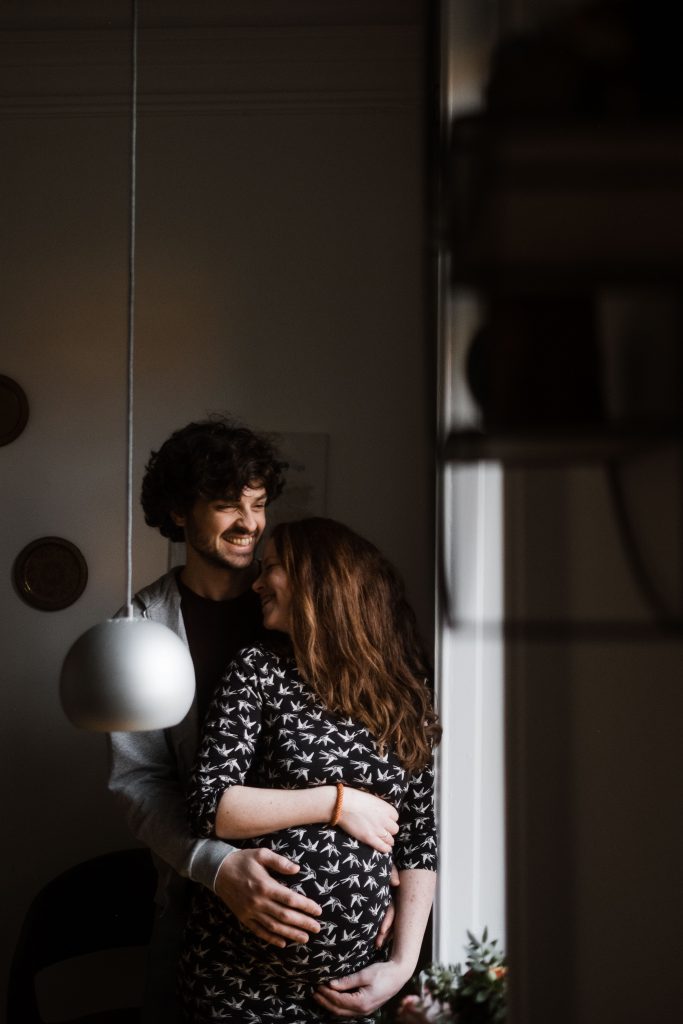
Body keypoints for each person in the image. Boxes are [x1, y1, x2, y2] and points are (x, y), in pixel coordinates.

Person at [108, 418, 397, 1024]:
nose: (249, 523)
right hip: (197, 912)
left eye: (258, 504)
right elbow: (140, 783)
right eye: (224, 506)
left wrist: (381, 872)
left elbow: (378, 737)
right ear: (180, 513)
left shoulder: (301, 604)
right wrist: (219, 869)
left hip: (342, 947)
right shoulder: (136, 632)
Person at [179, 517, 440, 1023]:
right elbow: (210, 806)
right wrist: (337, 803)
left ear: (318, 579)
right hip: (240, 984)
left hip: (353, 989)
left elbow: (419, 839)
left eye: (271, 568)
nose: (256, 582)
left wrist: (402, 965)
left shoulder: (402, 692)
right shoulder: (259, 670)